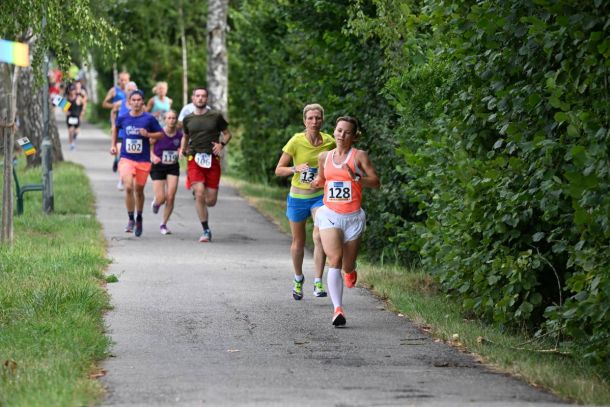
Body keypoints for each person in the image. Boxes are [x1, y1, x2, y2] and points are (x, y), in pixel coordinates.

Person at [311, 116, 380, 326]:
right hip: (330, 214)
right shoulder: (324, 157)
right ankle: (337, 310)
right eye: (339, 130)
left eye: (347, 132)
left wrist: (357, 178)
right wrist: (315, 182)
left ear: (354, 136)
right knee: (335, 259)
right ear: (334, 132)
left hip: (353, 217)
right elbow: (322, 179)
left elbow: (376, 182)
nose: (342, 135)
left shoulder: (359, 156)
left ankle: (350, 271)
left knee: (347, 265)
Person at [275, 104, 335, 300]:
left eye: (317, 118)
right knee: (298, 242)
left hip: (319, 197)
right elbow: (279, 170)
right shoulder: (296, 141)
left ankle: (318, 282)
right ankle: (298, 278)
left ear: (322, 120)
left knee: (319, 237)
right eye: (310, 118)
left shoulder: (330, 142)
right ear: (304, 121)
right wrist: (295, 168)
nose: (314, 122)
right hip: (298, 197)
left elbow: (340, 159)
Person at [180, 87, 232, 242]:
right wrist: (183, 149)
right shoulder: (188, 119)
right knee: (200, 193)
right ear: (193, 98)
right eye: (197, 96)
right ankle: (206, 230)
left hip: (212, 160)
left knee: (211, 201)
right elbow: (186, 136)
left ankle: (200, 193)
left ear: (207, 98)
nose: (200, 98)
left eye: (203, 96)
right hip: (194, 158)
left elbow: (227, 134)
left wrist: (221, 145)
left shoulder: (215, 116)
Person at [110, 89, 164, 237]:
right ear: (129, 102)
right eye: (133, 100)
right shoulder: (123, 117)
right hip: (126, 158)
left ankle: (139, 217)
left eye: (139, 100)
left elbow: (160, 134)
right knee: (128, 187)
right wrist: (113, 145)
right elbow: (115, 128)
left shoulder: (149, 119)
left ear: (143, 102)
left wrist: (148, 134)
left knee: (139, 190)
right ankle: (130, 219)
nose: (136, 103)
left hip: (143, 160)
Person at [149, 110, 183, 235]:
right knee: (161, 198)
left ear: (176, 120)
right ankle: (156, 202)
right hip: (158, 166)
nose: (171, 120)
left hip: (173, 166)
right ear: (164, 120)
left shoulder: (180, 135)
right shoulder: (158, 133)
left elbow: (183, 148)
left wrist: (181, 151)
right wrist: (152, 156)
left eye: (174, 118)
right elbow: (148, 145)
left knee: (171, 197)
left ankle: (163, 224)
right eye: (169, 118)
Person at [111, 81, 138, 190]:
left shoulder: (139, 105)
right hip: (121, 134)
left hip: (134, 135)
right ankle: (121, 179)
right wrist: (113, 125)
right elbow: (113, 112)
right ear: (125, 91)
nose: (131, 92)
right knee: (121, 156)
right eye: (129, 90)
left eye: (133, 90)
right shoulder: (120, 103)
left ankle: (130, 178)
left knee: (131, 159)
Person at [103, 71, 130, 173]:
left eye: (125, 80)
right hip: (116, 117)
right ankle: (117, 159)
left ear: (128, 80)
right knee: (116, 140)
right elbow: (104, 103)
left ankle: (123, 160)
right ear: (119, 80)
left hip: (129, 120)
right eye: (121, 80)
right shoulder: (114, 90)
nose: (123, 82)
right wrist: (115, 106)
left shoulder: (131, 91)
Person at [64, 84, 86, 150]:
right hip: (70, 116)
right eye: (71, 90)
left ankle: (73, 139)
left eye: (73, 90)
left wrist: (82, 112)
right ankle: (71, 144)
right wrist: (65, 112)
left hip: (77, 116)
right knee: (70, 131)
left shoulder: (78, 98)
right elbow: (64, 107)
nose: (72, 91)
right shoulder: (67, 98)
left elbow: (84, 103)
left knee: (76, 131)